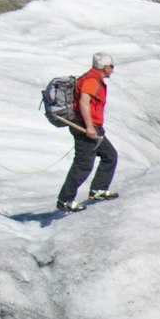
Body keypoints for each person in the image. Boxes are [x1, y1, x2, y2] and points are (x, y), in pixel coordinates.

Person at [54, 58, 120, 213]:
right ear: (104, 67)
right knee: (83, 164)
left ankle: (98, 189)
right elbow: (84, 102)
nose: (113, 69)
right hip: (85, 127)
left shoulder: (94, 78)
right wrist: (89, 126)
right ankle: (65, 200)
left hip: (94, 127)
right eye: (111, 66)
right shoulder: (91, 80)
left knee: (109, 155)